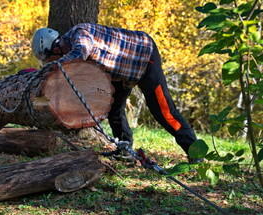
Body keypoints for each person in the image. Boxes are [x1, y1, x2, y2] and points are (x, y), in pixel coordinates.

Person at [31, 23, 201, 163]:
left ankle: (196, 153)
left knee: (164, 112)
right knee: (113, 109)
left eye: (51, 58)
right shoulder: (69, 47)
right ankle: (125, 151)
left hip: (144, 56)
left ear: (55, 48)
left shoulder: (79, 34)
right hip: (122, 71)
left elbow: (81, 52)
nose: (53, 62)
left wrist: (53, 67)